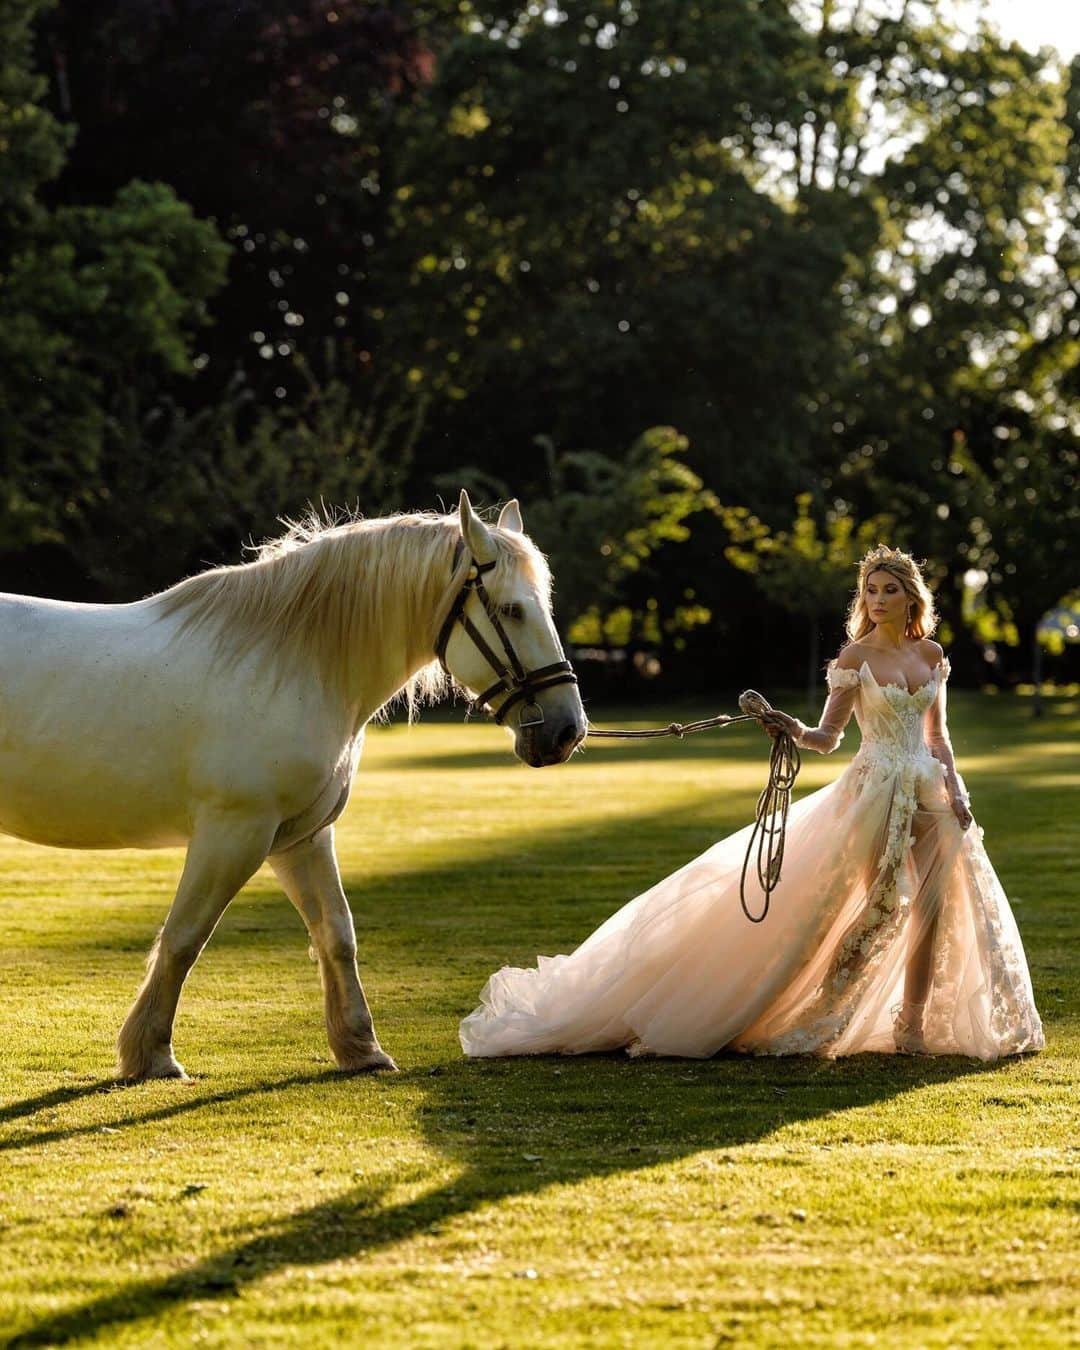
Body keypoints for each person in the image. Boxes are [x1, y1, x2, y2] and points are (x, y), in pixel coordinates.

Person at [459, 545, 1044, 1061]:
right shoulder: (852, 660)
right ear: (862, 599)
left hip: (930, 793)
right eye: (871, 590)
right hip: (874, 793)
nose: (880, 598)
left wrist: (958, 789)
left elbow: (938, 737)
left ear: (910, 597)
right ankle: (821, 1014)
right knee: (882, 906)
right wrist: (790, 728)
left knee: (936, 910)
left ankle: (913, 1025)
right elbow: (828, 740)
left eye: (891, 590)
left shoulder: (930, 654)